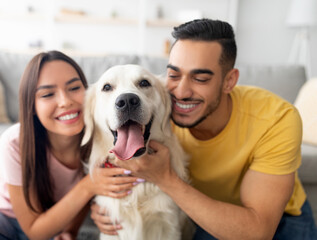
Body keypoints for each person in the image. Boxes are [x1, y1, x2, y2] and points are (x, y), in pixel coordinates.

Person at [91, 19, 317, 239]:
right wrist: (99, 190)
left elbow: (257, 231)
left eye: (200, 78)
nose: (181, 92)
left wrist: (165, 178)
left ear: (229, 81)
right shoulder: (158, 107)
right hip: (202, 210)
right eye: (174, 75)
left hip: (277, 220)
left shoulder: (277, 118)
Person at [0, 50, 142, 240]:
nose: (65, 101)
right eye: (48, 94)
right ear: (32, 106)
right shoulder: (14, 141)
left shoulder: (104, 137)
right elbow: (34, 231)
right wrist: (89, 185)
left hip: (53, 229)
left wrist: (75, 228)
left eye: (74, 88)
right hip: (1, 222)